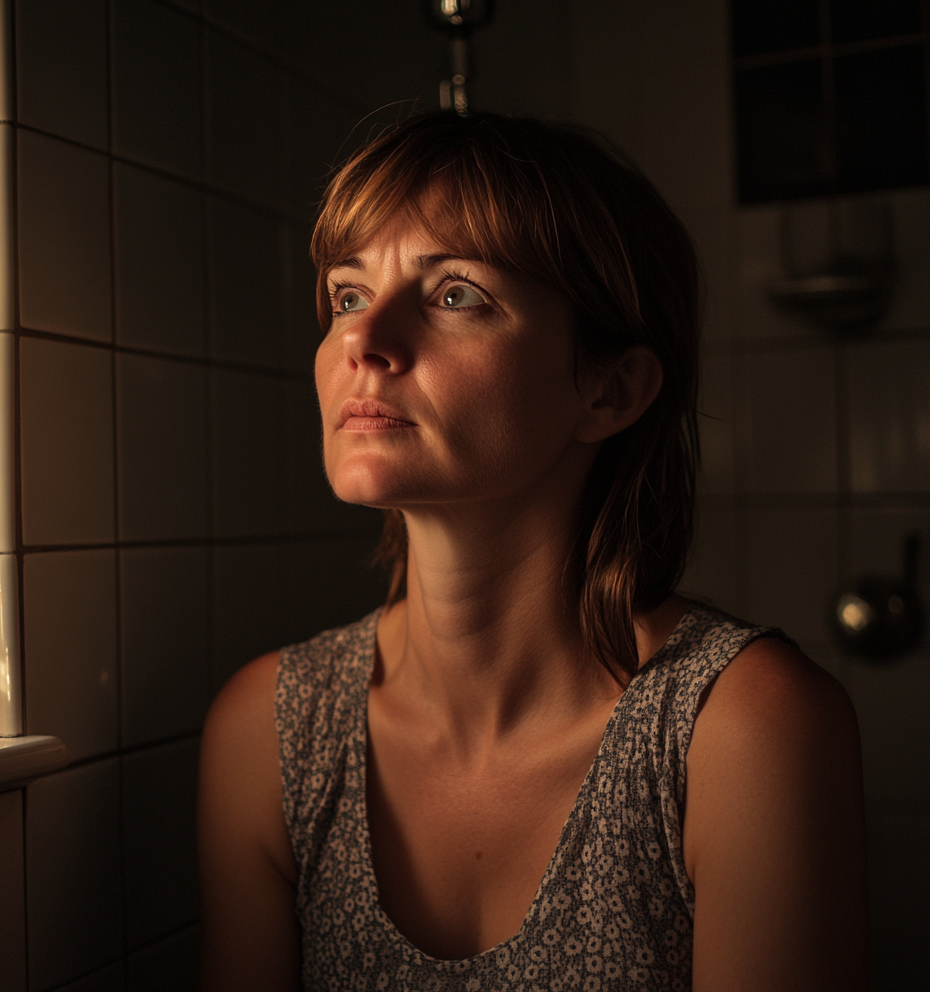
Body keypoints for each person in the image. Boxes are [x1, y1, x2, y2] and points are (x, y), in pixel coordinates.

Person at [198, 112, 868, 991]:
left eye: (454, 295)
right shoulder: (269, 731)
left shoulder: (739, 732)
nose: (363, 341)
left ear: (610, 389)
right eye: (348, 295)